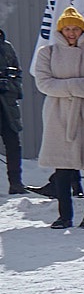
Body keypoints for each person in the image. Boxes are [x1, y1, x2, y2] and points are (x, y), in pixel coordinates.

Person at [31, 9, 84, 229]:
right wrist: (78, 86)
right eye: (67, 28)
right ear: (60, 30)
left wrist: (66, 86)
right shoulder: (47, 53)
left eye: (75, 28)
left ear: (82, 29)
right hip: (59, 114)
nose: (71, 33)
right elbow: (44, 83)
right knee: (62, 167)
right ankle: (64, 214)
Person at [0, 20, 23, 196]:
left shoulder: (6, 47)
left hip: (7, 104)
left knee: (13, 144)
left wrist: (12, 88)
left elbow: (17, 72)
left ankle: (16, 183)